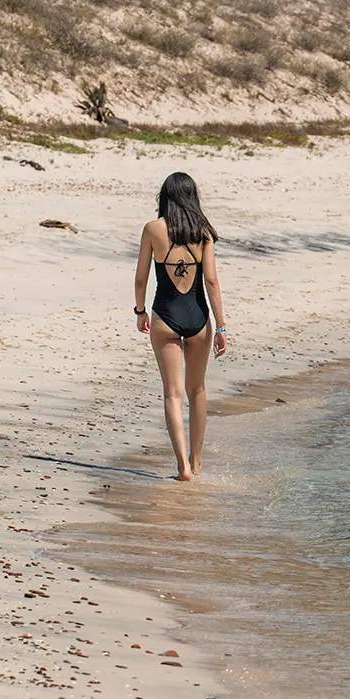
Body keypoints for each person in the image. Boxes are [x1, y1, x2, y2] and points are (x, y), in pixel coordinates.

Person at [133, 172, 228, 481]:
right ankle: (197, 461)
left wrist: (140, 311)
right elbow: (211, 281)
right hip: (199, 319)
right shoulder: (204, 233)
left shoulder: (152, 229)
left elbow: (141, 278)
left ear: (165, 197)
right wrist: (222, 327)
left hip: (164, 316)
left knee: (172, 394)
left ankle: (182, 467)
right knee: (197, 390)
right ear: (192, 197)